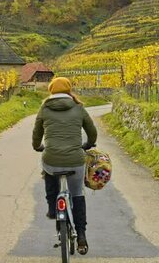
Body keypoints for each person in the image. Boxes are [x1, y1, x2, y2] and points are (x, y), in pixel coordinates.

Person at [32, 77, 97, 255]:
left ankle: (52, 207)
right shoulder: (78, 107)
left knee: (47, 170)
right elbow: (92, 131)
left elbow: (37, 132)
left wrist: (37, 146)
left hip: (51, 158)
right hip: (75, 160)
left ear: (51, 90)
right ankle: (82, 235)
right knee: (77, 194)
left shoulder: (44, 108)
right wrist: (90, 144)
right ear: (69, 90)